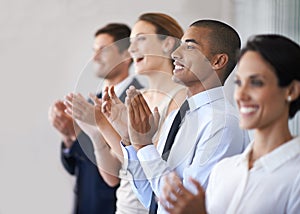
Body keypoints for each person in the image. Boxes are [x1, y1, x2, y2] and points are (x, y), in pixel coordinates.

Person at [160, 34, 300, 214]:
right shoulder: (224, 171)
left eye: (256, 83)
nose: (241, 95)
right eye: (239, 83)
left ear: (292, 90)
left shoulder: (295, 175)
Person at [64, 13, 186, 214]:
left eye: (141, 39)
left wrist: (103, 124)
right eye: (130, 43)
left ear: (167, 44)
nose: (131, 49)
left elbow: (148, 168)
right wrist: (96, 132)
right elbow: (113, 175)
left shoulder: (181, 100)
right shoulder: (138, 98)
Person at [124, 19, 250, 213]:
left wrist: (144, 146)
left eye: (190, 46)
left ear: (217, 61)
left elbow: (183, 203)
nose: (175, 54)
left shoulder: (223, 124)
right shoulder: (179, 115)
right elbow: (151, 199)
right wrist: (132, 142)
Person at [48, 23, 143, 214]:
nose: (95, 57)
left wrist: (80, 135)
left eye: (103, 50)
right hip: (85, 203)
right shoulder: (93, 102)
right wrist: (69, 137)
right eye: (94, 50)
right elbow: (75, 166)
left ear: (126, 55)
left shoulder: (140, 100)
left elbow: (128, 162)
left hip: (114, 205)